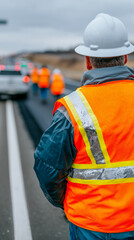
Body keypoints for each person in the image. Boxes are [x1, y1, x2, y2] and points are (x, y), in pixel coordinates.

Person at [34, 13, 134, 240]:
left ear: (88, 60)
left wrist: (66, 201)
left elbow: (47, 168)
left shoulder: (72, 109)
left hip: (91, 225)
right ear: (125, 57)